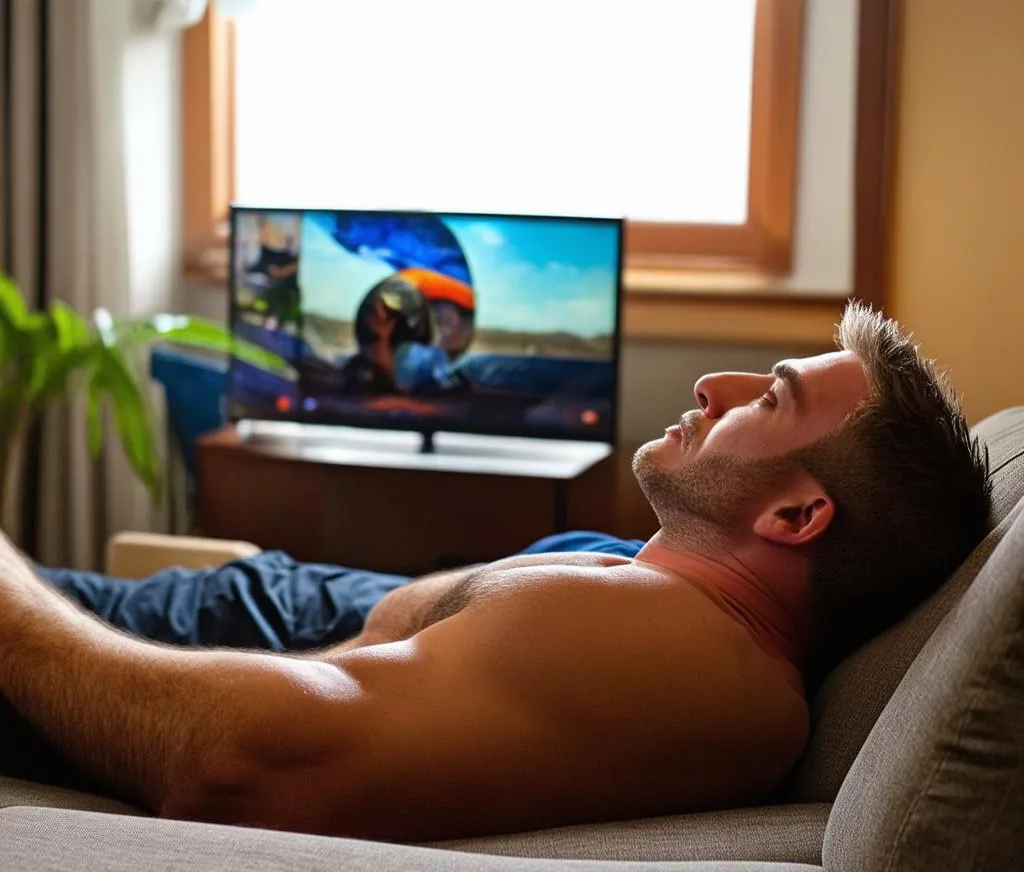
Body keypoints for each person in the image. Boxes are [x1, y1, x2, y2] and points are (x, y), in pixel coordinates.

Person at [0, 304, 991, 843]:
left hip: (119, 654)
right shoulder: (676, 611)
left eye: (767, 398)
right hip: (184, 615)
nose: (712, 385)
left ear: (797, 515)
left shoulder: (683, 652)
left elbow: (239, 763)